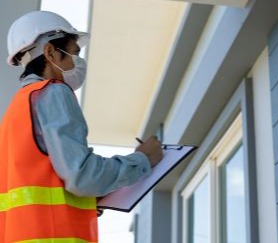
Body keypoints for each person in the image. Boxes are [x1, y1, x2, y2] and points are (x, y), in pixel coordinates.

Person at [0, 11, 163, 242]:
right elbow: (82, 176)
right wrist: (143, 160)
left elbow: (43, 184)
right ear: (50, 52)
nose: (78, 62)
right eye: (74, 53)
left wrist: (90, 199)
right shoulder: (53, 92)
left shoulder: (17, 109)